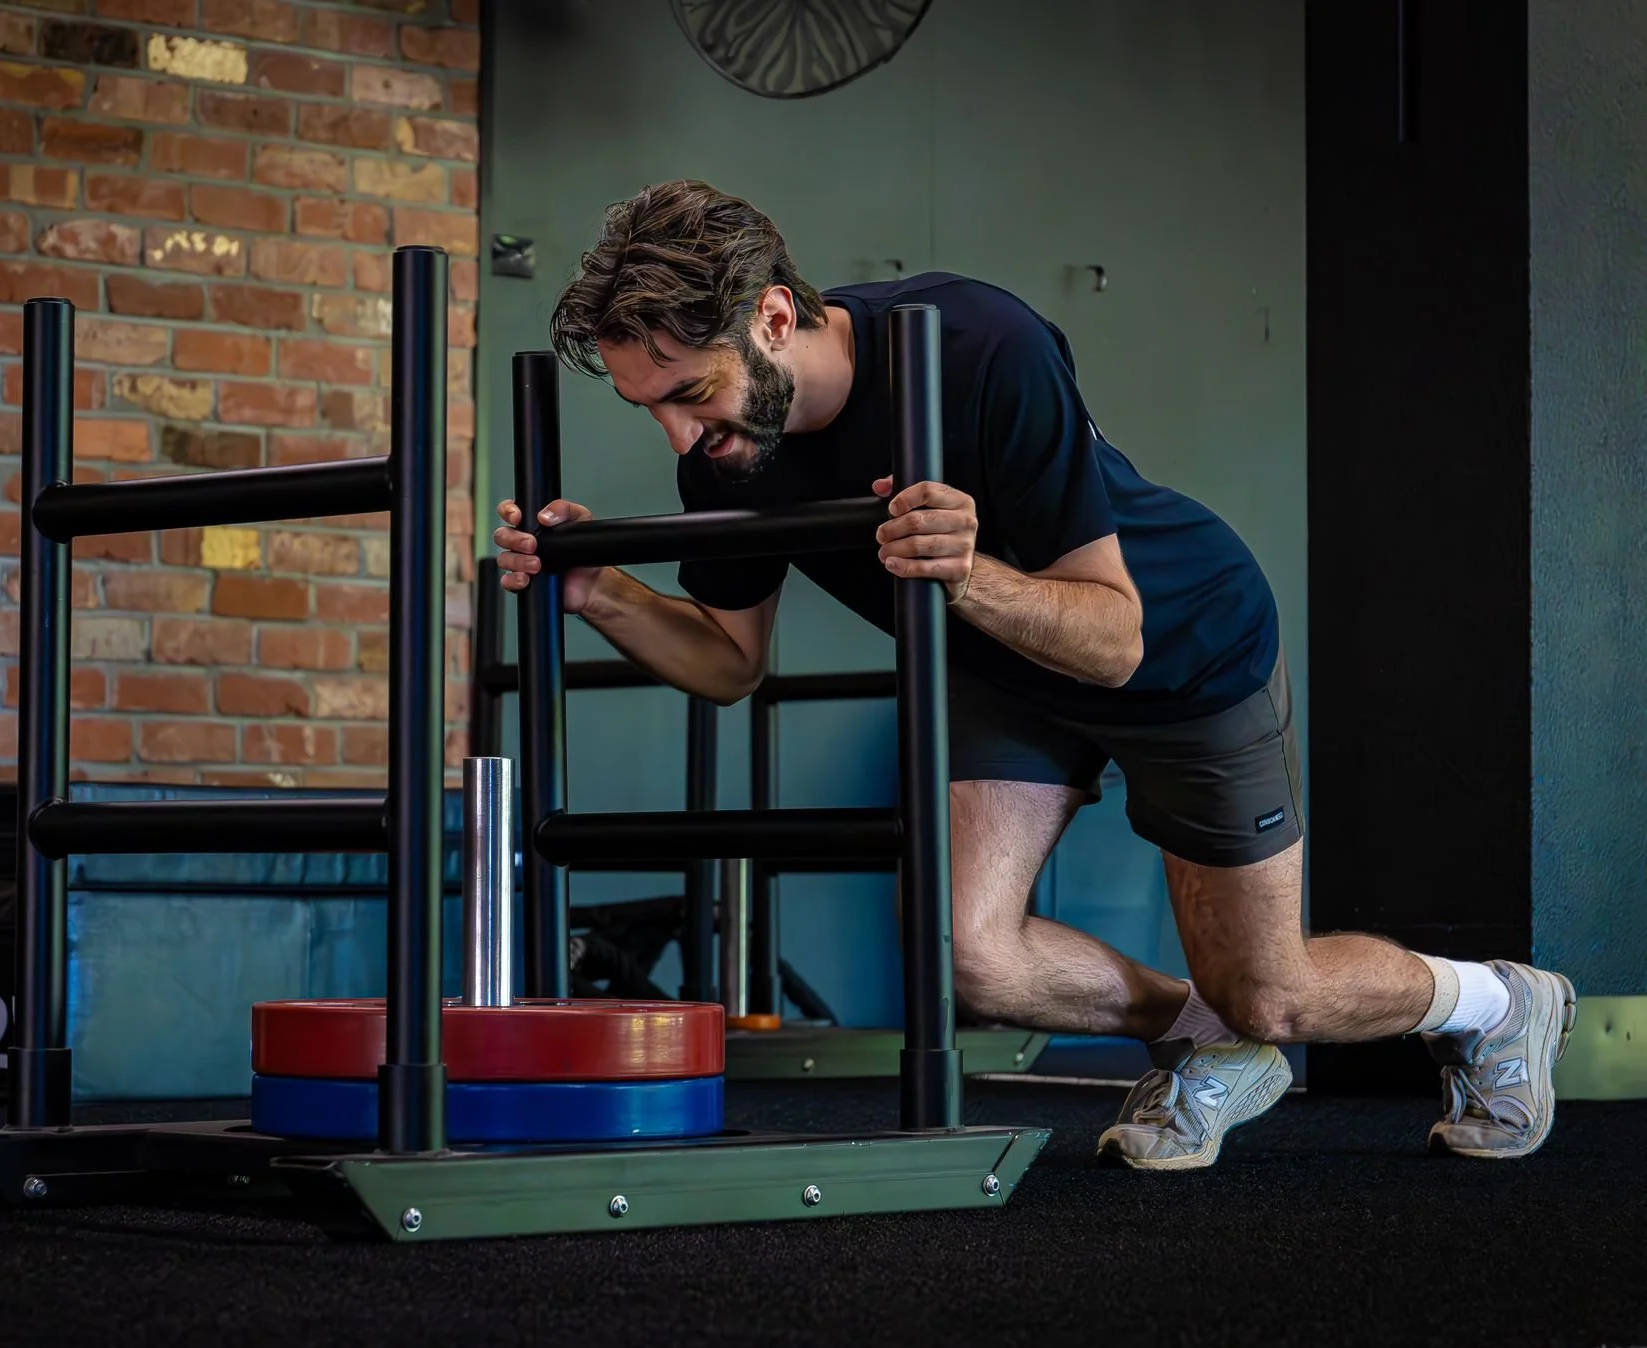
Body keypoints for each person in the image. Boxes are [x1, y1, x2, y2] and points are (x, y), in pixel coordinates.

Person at [492, 178, 1577, 1169]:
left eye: (693, 391)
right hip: (1004, 670)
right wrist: (604, 594)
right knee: (971, 955)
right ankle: (1207, 1045)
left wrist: (966, 577)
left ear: (772, 317)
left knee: (1272, 991)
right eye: (652, 409)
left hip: (1181, 649)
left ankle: (1496, 1002)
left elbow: (1113, 636)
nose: (681, 434)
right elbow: (730, 663)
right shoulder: (725, 454)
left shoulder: (976, 345)